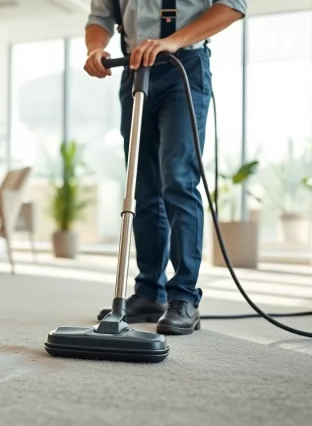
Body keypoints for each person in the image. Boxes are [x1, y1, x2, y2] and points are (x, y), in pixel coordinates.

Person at [84, 0, 247, 335]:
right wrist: (95, 48)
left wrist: (174, 39)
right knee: (141, 187)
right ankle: (148, 293)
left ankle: (184, 297)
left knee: (178, 179)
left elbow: (233, 6)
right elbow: (100, 17)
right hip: (133, 71)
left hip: (183, 64)